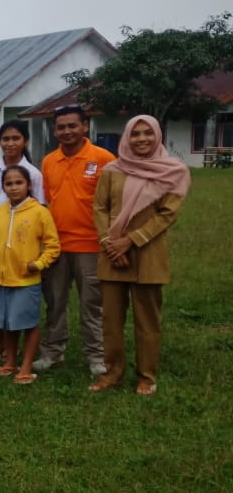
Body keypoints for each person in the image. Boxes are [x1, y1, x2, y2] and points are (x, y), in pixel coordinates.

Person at [89, 115, 190, 396]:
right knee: (110, 320)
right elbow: (99, 207)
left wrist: (130, 241)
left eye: (147, 133)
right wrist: (110, 244)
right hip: (112, 255)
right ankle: (113, 372)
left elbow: (167, 215)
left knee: (148, 320)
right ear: (127, 137)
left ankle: (147, 376)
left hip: (148, 253)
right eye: (135, 134)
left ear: (157, 135)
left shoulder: (172, 171)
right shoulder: (112, 169)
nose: (141, 139)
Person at [34, 105, 114, 376]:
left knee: (91, 304)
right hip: (57, 246)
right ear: (55, 130)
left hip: (92, 245)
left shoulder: (103, 159)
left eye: (72, 126)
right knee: (55, 302)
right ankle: (53, 352)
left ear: (85, 127)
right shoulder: (48, 161)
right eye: (61, 127)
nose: (67, 132)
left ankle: (97, 356)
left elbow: (114, 203)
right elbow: (46, 203)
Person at [0, 120, 46, 361]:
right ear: (0, 142)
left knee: (16, 288)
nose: (10, 143)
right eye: (6, 139)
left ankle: (15, 344)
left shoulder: (34, 174)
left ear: (25, 141)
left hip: (22, 236)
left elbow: (40, 210)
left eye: (16, 138)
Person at [0, 166, 60, 384]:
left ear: (29, 185)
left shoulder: (39, 212)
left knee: (27, 323)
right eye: (9, 184)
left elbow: (53, 245)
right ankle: (10, 361)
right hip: (0, 278)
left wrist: (38, 264)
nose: (14, 187)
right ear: (3, 187)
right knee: (7, 322)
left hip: (26, 280)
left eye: (19, 183)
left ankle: (26, 366)